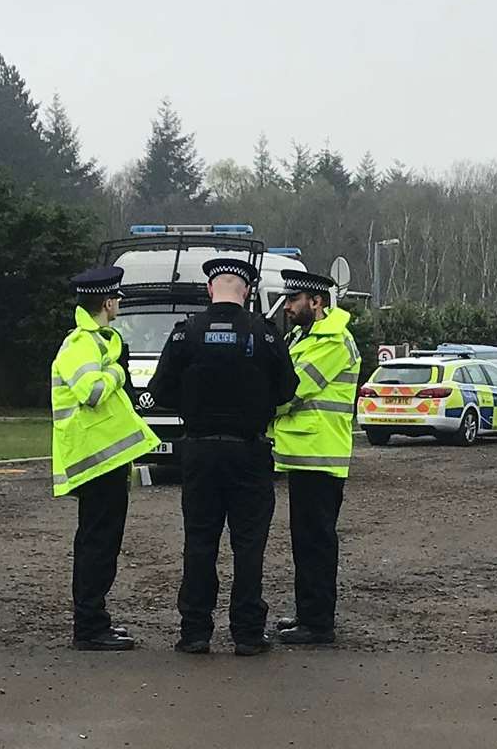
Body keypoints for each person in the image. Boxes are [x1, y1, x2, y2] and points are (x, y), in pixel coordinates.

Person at [148, 257, 298, 656]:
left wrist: (193, 407)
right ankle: (248, 633)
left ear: (210, 290)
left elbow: (160, 390)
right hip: (249, 451)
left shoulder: (187, 334)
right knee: (249, 544)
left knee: (199, 540)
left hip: (199, 449)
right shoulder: (264, 335)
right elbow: (287, 389)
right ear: (246, 291)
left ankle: (195, 631)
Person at [51, 266, 160, 651]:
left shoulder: (98, 340)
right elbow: (92, 392)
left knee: (101, 543)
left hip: (103, 459)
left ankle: (95, 621)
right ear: (108, 301)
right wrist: (116, 370)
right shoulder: (82, 343)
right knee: (97, 544)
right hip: (93, 459)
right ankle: (90, 626)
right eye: (117, 299)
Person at [270, 269, 362, 646]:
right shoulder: (306, 336)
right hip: (305, 453)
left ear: (317, 302)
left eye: (293, 300)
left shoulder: (333, 340)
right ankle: (308, 613)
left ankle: (319, 623)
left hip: (320, 454)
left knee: (317, 540)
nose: (287, 307)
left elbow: (292, 391)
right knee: (305, 539)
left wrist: (254, 408)